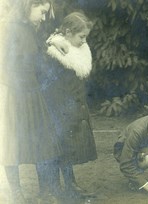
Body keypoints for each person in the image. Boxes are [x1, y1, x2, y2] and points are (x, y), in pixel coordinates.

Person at [0, 0, 61, 203]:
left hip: (33, 92)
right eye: (42, 12)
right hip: (15, 94)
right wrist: (16, 87)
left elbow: (37, 61)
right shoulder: (9, 29)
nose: (44, 18)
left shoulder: (31, 29)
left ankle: (44, 191)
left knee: (42, 140)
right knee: (12, 144)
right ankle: (17, 194)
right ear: (29, 6)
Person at [38, 11, 97, 199]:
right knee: (55, 149)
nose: (84, 41)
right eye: (81, 36)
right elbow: (49, 85)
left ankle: (71, 185)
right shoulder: (54, 53)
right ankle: (53, 189)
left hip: (72, 105)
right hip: (56, 107)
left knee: (68, 148)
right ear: (68, 32)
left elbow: (76, 83)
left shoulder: (78, 50)